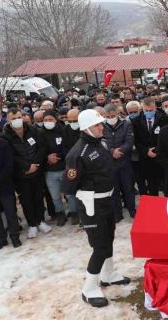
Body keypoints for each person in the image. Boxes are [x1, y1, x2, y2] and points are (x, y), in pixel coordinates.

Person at [61, 109, 131, 308]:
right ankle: (89, 288)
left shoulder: (101, 142)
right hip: (91, 204)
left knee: (109, 238)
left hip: (107, 200)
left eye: (101, 124)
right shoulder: (77, 153)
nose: (102, 127)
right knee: (99, 247)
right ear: (86, 128)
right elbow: (68, 186)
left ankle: (108, 274)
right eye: (97, 125)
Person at [2, 109, 51, 239]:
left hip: (37, 171)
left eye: (18, 117)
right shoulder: (5, 136)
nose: (16, 120)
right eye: (13, 118)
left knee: (38, 197)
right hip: (21, 175)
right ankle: (32, 224)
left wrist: (35, 165)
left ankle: (40, 221)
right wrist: (27, 166)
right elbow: (11, 155)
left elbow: (42, 148)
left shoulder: (34, 131)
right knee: (26, 200)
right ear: (8, 120)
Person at [40, 110, 74, 226]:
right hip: (49, 171)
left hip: (64, 167)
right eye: (45, 120)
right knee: (55, 195)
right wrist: (47, 157)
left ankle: (74, 212)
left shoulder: (63, 131)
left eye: (50, 119)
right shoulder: (40, 133)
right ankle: (60, 213)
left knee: (69, 193)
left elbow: (67, 147)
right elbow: (39, 150)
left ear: (56, 120)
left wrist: (58, 156)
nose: (48, 122)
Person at [102, 104, 136, 221]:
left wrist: (119, 151)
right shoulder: (101, 126)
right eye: (108, 116)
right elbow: (102, 142)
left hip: (124, 161)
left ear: (117, 114)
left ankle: (132, 209)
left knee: (128, 187)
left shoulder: (126, 124)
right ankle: (117, 213)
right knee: (114, 190)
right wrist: (112, 152)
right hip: (110, 163)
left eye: (113, 115)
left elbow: (129, 141)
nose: (111, 118)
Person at [133, 97, 168, 196]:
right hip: (146, 159)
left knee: (166, 185)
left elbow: (166, 138)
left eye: (151, 110)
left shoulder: (164, 119)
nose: (148, 112)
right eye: (146, 110)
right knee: (152, 186)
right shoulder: (136, 121)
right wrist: (146, 151)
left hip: (162, 157)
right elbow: (136, 140)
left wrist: (157, 150)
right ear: (142, 109)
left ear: (155, 108)